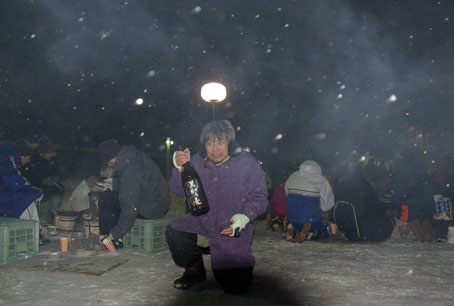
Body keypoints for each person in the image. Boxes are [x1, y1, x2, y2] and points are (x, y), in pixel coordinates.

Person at [166, 120, 268, 294]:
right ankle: (195, 269)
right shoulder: (197, 162)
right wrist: (179, 168)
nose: (215, 149)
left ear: (230, 142)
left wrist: (244, 217)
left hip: (231, 227)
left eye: (220, 142)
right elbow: (179, 191)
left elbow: (259, 197)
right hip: (202, 222)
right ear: (203, 145)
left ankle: (229, 261)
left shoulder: (246, 163)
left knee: (236, 286)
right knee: (175, 231)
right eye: (209, 143)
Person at [97, 139, 170, 248]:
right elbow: (123, 190)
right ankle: (108, 237)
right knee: (113, 197)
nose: (109, 165)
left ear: (112, 158)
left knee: (106, 200)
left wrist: (114, 234)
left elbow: (131, 206)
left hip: (153, 208)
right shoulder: (131, 158)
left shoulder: (130, 168)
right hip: (157, 203)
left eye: (108, 162)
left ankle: (109, 240)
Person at [333, 163, 395, 242]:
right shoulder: (364, 186)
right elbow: (376, 207)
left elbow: (333, 215)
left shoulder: (340, 190)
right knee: (391, 222)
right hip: (366, 235)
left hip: (350, 234)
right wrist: (389, 207)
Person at [391, 148, 436, 242]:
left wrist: (393, 201)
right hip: (427, 210)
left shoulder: (404, 173)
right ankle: (424, 225)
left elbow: (398, 197)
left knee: (395, 235)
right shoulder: (423, 171)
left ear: (404, 159)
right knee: (421, 219)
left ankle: (410, 226)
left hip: (411, 210)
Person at [285, 160, 334, 242]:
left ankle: (293, 229)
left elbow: (287, 194)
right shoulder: (321, 179)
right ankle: (309, 234)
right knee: (322, 231)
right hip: (309, 217)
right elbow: (327, 205)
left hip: (291, 215)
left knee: (297, 222)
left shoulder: (293, 175)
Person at [20, 135, 64, 222]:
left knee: (59, 189)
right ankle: (42, 216)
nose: (50, 155)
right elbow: (29, 175)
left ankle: (53, 212)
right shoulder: (33, 159)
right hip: (35, 185)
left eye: (52, 153)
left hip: (49, 184)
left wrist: (56, 178)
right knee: (45, 192)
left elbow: (58, 171)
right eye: (48, 154)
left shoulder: (53, 159)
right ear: (41, 154)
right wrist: (42, 181)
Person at [0, 138, 42, 221]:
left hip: (3, 194)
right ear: (22, 155)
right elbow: (13, 181)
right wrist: (32, 191)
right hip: (3, 197)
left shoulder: (8, 158)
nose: (28, 161)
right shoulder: (6, 161)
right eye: (28, 158)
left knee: (24, 197)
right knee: (26, 201)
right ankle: (33, 229)